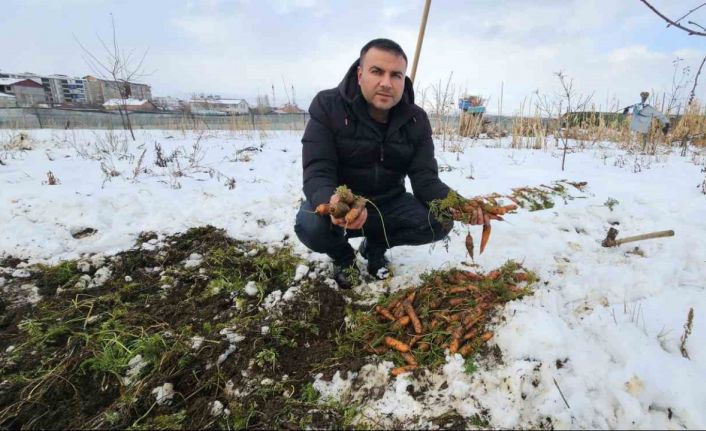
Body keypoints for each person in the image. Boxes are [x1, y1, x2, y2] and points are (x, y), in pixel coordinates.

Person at [294, 38, 487, 289]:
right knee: (311, 225)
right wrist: (333, 202)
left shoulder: (416, 119)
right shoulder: (328, 105)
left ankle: (375, 248)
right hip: (342, 204)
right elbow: (318, 169)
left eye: (396, 75)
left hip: (389, 203)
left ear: (404, 79)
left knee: (440, 221)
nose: (386, 83)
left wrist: (459, 204)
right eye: (377, 72)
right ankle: (343, 258)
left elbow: (425, 180)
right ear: (360, 73)